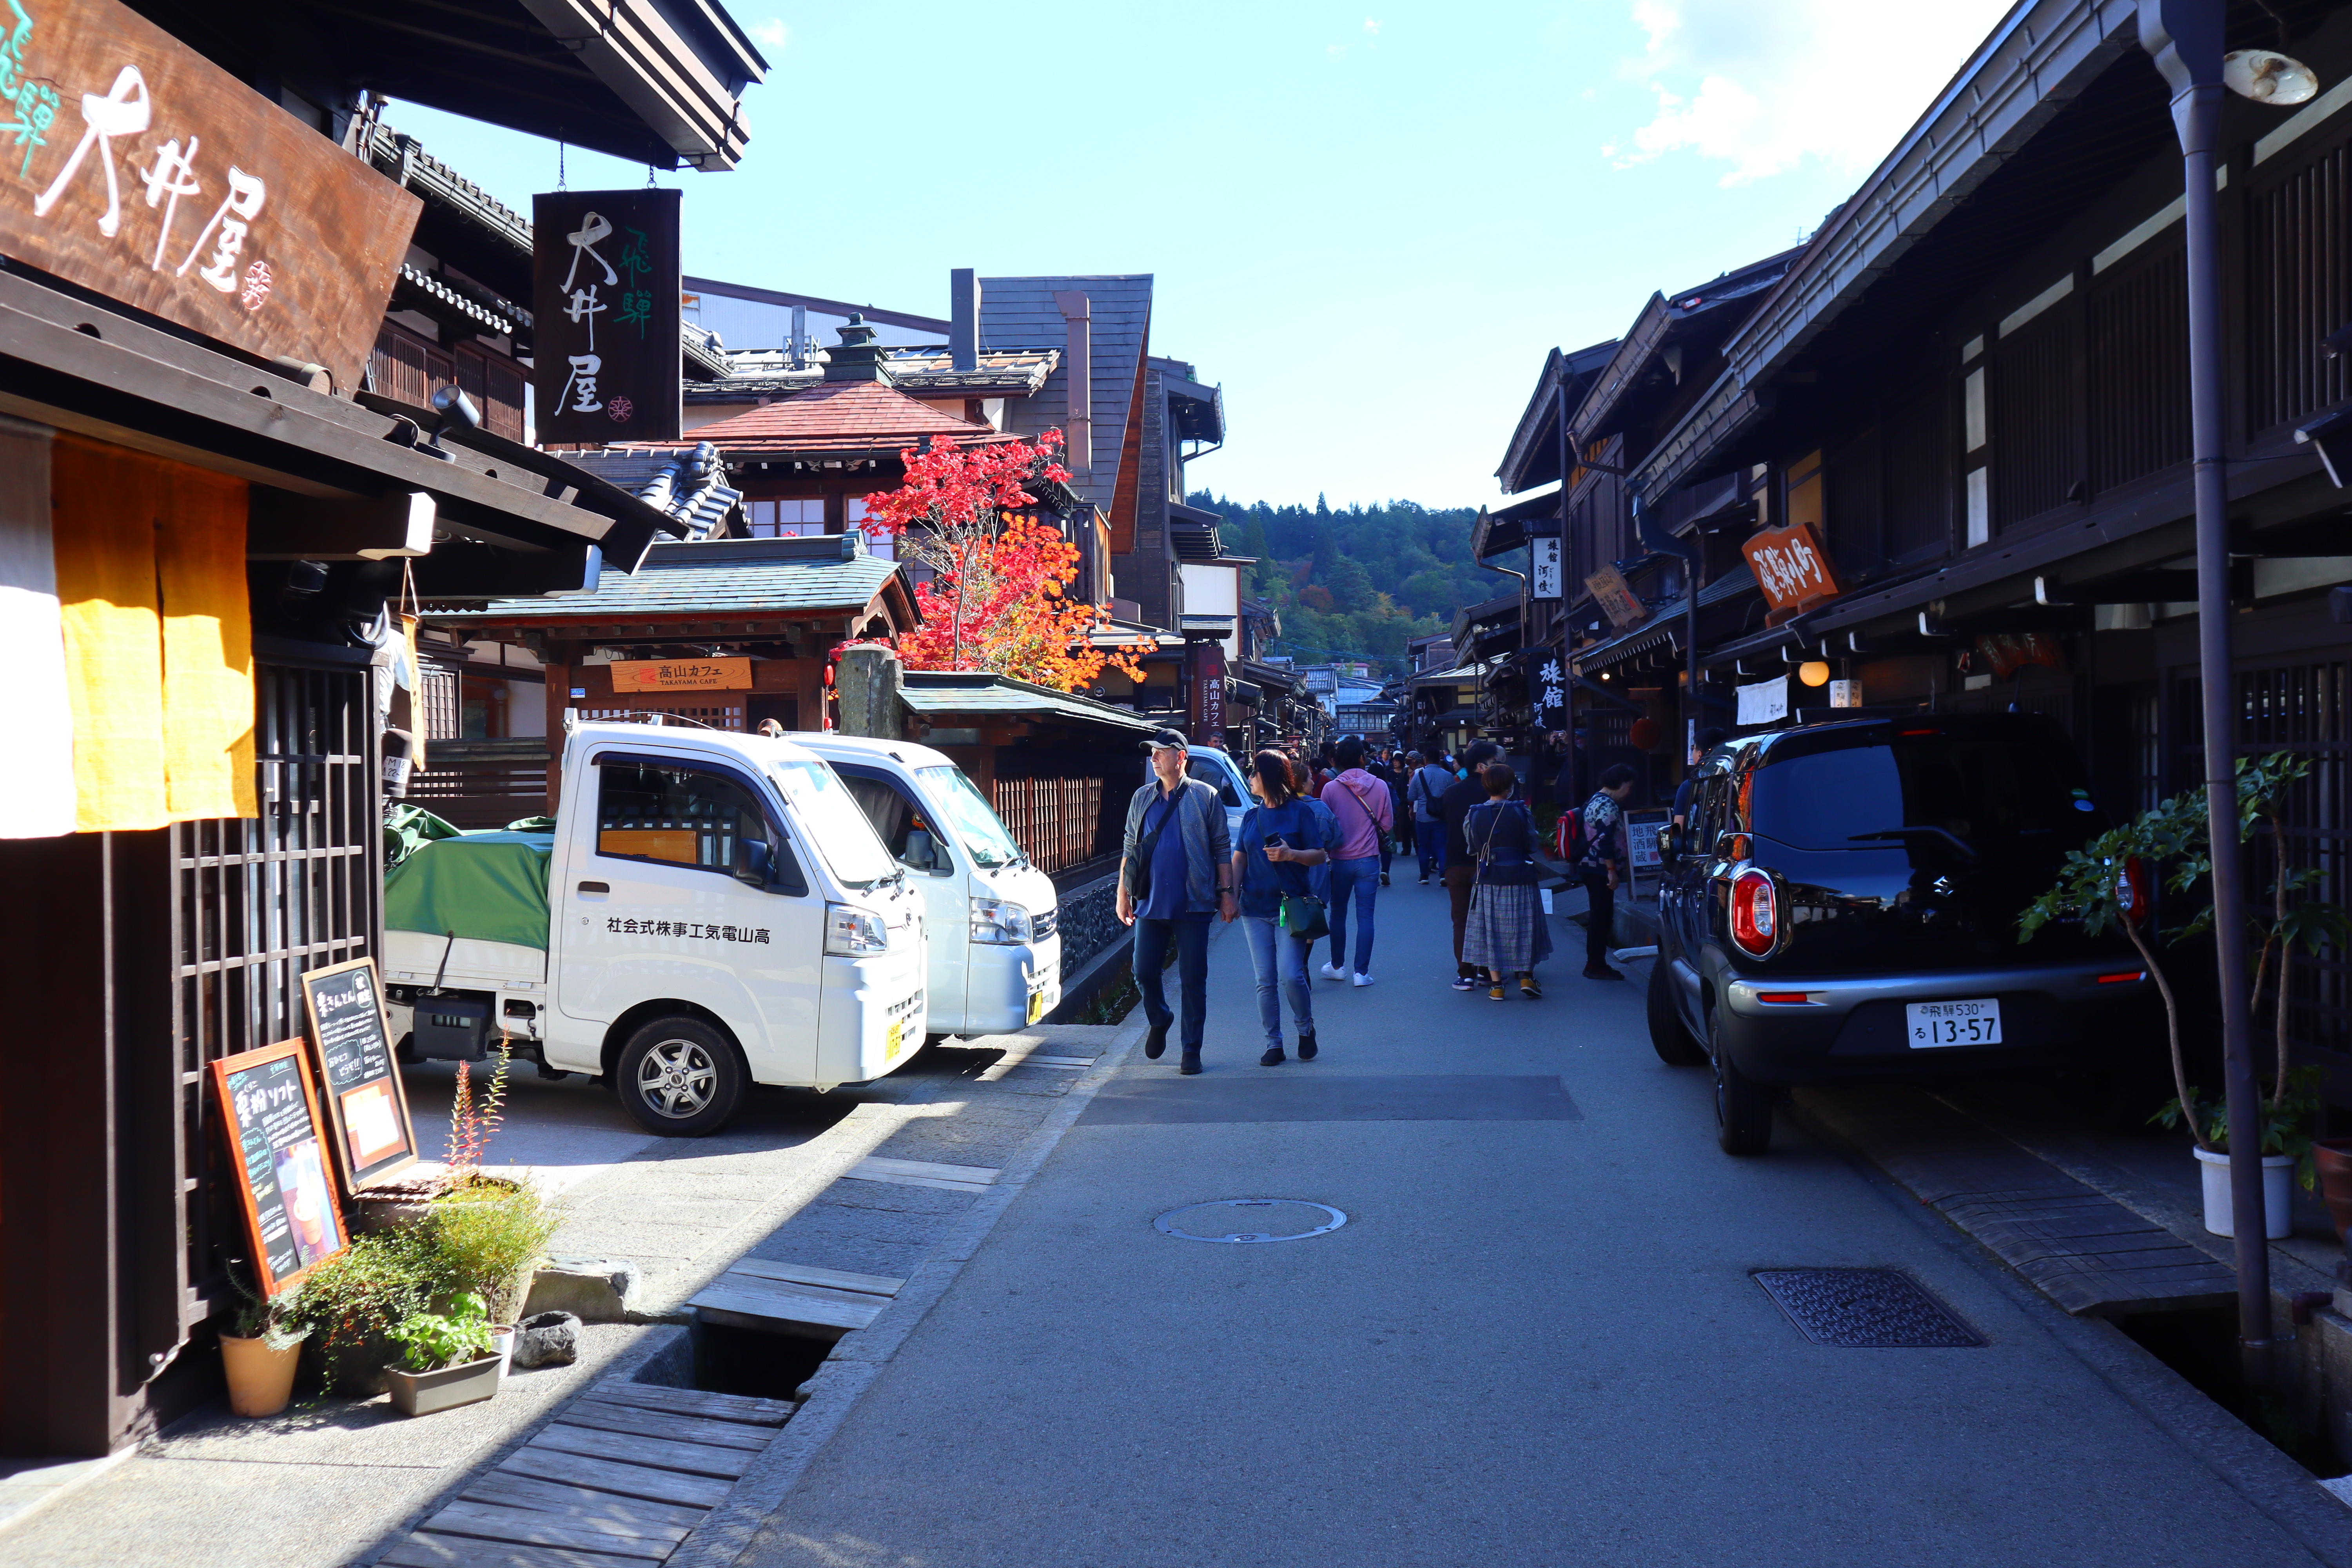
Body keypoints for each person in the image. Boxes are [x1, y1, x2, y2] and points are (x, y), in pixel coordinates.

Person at [1117, 727, 1237, 1074]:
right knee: (1143, 971)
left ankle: (1191, 1050)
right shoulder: (1142, 797)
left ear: (1180, 757)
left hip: (1194, 901)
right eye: (1151, 753)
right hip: (1151, 901)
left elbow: (1221, 848)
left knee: (1193, 978)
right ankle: (1160, 1017)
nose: (1153, 758)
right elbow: (1130, 848)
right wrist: (1122, 895)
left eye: (1160, 752)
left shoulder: (1206, 796)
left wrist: (1227, 895)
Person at [1232, 750, 1330, 1066]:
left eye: (1254, 773)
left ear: (1269, 776)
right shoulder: (1251, 816)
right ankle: (1274, 1042)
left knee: (1291, 974)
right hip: (1254, 906)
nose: (1250, 778)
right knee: (1265, 979)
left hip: (1291, 904)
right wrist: (1229, 896)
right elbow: (1239, 859)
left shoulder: (1300, 812)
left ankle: (1305, 1028)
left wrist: (1292, 855)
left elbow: (1320, 855)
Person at [1460, 764, 1552, 999]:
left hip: (1490, 879)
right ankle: (1527, 977)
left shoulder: (1473, 814)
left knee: (1491, 930)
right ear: (1511, 787)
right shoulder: (1522, 811)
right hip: (1520, 876)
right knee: (1525, 926)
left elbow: (1472, 848)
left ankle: (1497, 985)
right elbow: (1532, 844)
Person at [1319, 735, 1394, 986]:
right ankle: (1361, 973)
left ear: (1336, 761)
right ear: (1363, 758)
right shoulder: (1381, 786)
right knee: (1366, 917)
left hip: (1339, 860)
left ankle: (1337, 966)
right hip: (1369, 860)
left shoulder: (1330, 788)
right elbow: (1387, 824)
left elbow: (1326, 828)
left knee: (1338, 914)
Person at [1436, 740, 1503, 990]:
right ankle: (1487, 971)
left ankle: (1465, 974)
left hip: (1455, 862)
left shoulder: (1452, 792)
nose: (1498, 768)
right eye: (1495, 763)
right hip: (1487, 863)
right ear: (1481, 766)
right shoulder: (1495, 794)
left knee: (1461, 920)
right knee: (1489, 919)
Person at [1575, 763, 1640, 982]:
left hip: (1590, 866)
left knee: (1599, 915)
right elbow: (1605, 842)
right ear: (1620, 784)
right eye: (1628, 786)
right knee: (1601, 917)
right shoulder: (1608, 806)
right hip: (1599, 868)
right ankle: (1595, 964)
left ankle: (1596, 962)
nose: (1629, 792)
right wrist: (1612, 871)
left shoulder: (1596, 800)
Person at [1408, 750, 1453, 885]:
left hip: (1423, 815)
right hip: (1441, 815)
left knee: (1424, 846)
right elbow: (1452, 795)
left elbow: (1411, 797)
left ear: (1425, 760)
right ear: (1440, 760)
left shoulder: (1418, 775)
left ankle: (1424, 876)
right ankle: (1443, 875)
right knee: (1441, 846)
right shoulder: (1448, 775)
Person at [1673, 729, 1727, 829]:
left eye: (1693, 748)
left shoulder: (1689, 787)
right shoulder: (1738, 781)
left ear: (1699, 754)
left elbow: (1678, 830)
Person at [1365, 747, 1400, 886]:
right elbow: (1396, 802)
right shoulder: (1388, 786)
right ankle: (1385, 871)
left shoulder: (1365, 787)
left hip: (1369, 821)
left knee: (1372, 848)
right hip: (1386, 820)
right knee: (1387, 846)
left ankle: (1373, 874)